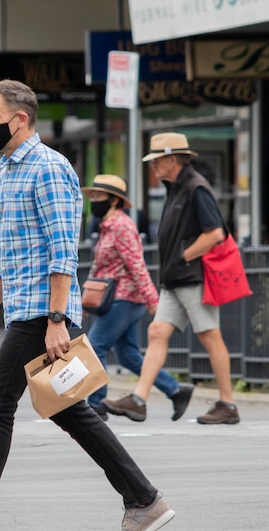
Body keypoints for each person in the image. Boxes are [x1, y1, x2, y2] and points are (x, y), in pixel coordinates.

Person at [0, 80, 174, 531]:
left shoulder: (50, 168)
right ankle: (144, 499)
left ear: (21, 119)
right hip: (22, 309)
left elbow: (62, 252)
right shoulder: (9, 168)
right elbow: (9, 254)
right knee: (69, 409)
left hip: (42, 313)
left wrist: (57, 320)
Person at [102, 132, 239, 425]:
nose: (153, 167)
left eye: (157, 161)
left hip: (192, 277)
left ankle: (228, 403)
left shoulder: (195, 187)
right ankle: (139, 400)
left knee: (209, 335)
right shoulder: (176, 187)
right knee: (157, 333)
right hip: (176, 279)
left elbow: (216, 233)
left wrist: (185, 256)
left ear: (172, 159)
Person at [81, 174, 194, 421]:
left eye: (99, 197)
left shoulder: (122, 227)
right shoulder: (106, 227)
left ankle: (96, 404)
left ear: (113, 200)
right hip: (116, 299)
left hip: (125, 299)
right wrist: (88, 299)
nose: (94, 201)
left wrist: (154, 302)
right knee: (127, 355)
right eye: (93, 196)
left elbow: (137, 266)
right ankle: (175, 390)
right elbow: (100, 268)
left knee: (95, 346)